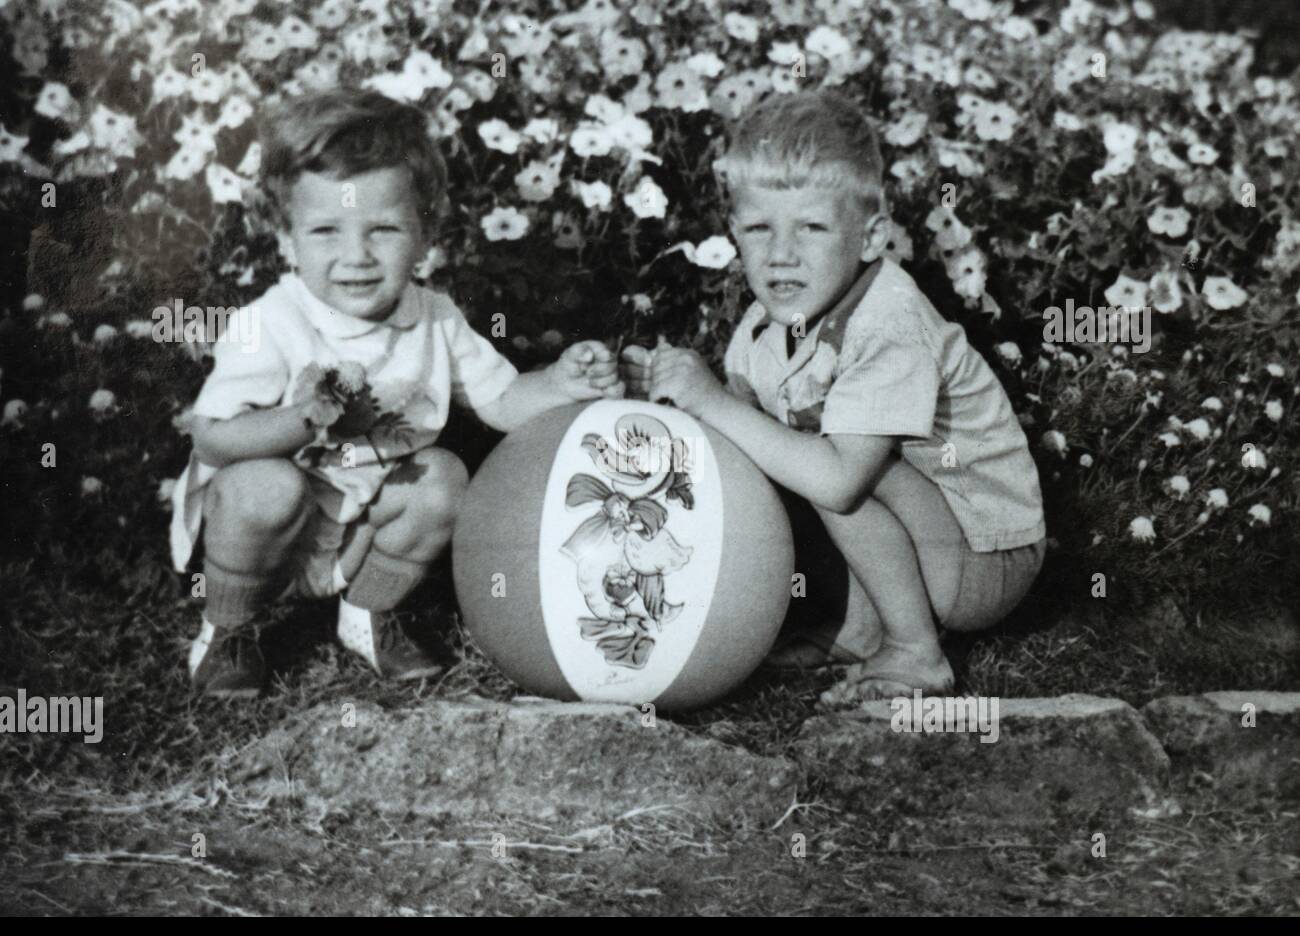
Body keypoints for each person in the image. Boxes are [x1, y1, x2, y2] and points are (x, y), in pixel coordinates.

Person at [169, 88, 622, 697]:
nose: (356, 256)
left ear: (425, 234)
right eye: (326, 231)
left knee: (442, 478)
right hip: (267, 534)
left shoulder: (434, 318)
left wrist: (562, 384)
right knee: (264, 485)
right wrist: (305, 419)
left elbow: (503, 400)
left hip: (362, 528)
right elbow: (217, 442)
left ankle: (371, 610)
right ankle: (228, 628)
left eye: (382, 229)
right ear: (285, 237)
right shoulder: (270, 322)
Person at [623, 92, 1045, 702]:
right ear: (735, 232)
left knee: (832, 467)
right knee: (777, 454)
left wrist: (712, 402)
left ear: (872, 237)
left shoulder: (889, 321)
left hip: (984, 556)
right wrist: (666, 393)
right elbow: (740, 441)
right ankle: (864, 626)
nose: (781, 253)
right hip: (925, 536)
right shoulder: (763, 328)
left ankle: (915, 649)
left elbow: (844, 483)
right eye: (759, 228)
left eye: (813, 228)